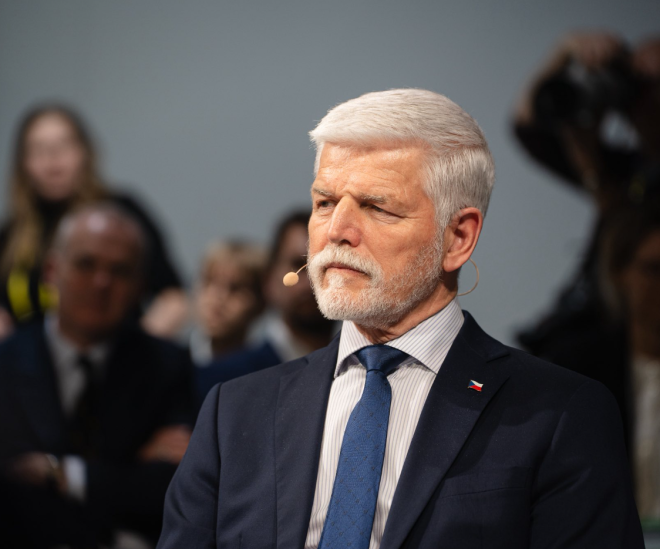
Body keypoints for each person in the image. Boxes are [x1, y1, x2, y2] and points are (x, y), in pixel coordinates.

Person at [158, 89, 643, 548]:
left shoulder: (560, 415)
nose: (336, 231)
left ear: (458, 238)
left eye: (376, 207)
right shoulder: (234, 414)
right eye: (324, 203)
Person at [0, 204, 194, 548]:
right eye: (85, 264)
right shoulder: (6, 363)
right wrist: (127, 473)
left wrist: (58, 474)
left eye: (119, 270)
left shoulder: (167, 366)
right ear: (51, 271)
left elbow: (173, 487)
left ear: (140, 286)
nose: (101, 282)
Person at [0, 103, 188, 341]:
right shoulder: (11, 234)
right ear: (23, 162)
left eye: (63, 145)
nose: (52, 158)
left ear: (84, 152)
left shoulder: (122, 217)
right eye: (39, 149)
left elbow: (173, 298)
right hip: (32, 362)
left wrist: (137, 353)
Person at [195, 210, 336, 400]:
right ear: (269, 279)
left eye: (326, 266)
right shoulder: (225, 381)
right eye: (298, 265)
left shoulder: (365, 374)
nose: (311, 282)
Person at [189, 240, 267, 365]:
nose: (217, 297)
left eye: (235, 288)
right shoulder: (173, 363)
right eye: (208, 281)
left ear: (261, 303)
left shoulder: (267, 368)